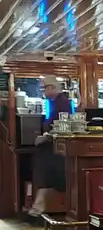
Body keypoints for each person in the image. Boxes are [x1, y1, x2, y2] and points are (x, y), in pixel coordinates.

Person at [29, 78, 71, 217]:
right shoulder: (56, 102)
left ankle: (38, 208)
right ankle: (37, 208)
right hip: (52, 149)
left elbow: (62, 126)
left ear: (52, 88)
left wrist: (44, 137)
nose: (44, 92)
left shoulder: (62, 103)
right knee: (48, 179)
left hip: (55, 149)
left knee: (49, 178)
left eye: (45, 89)